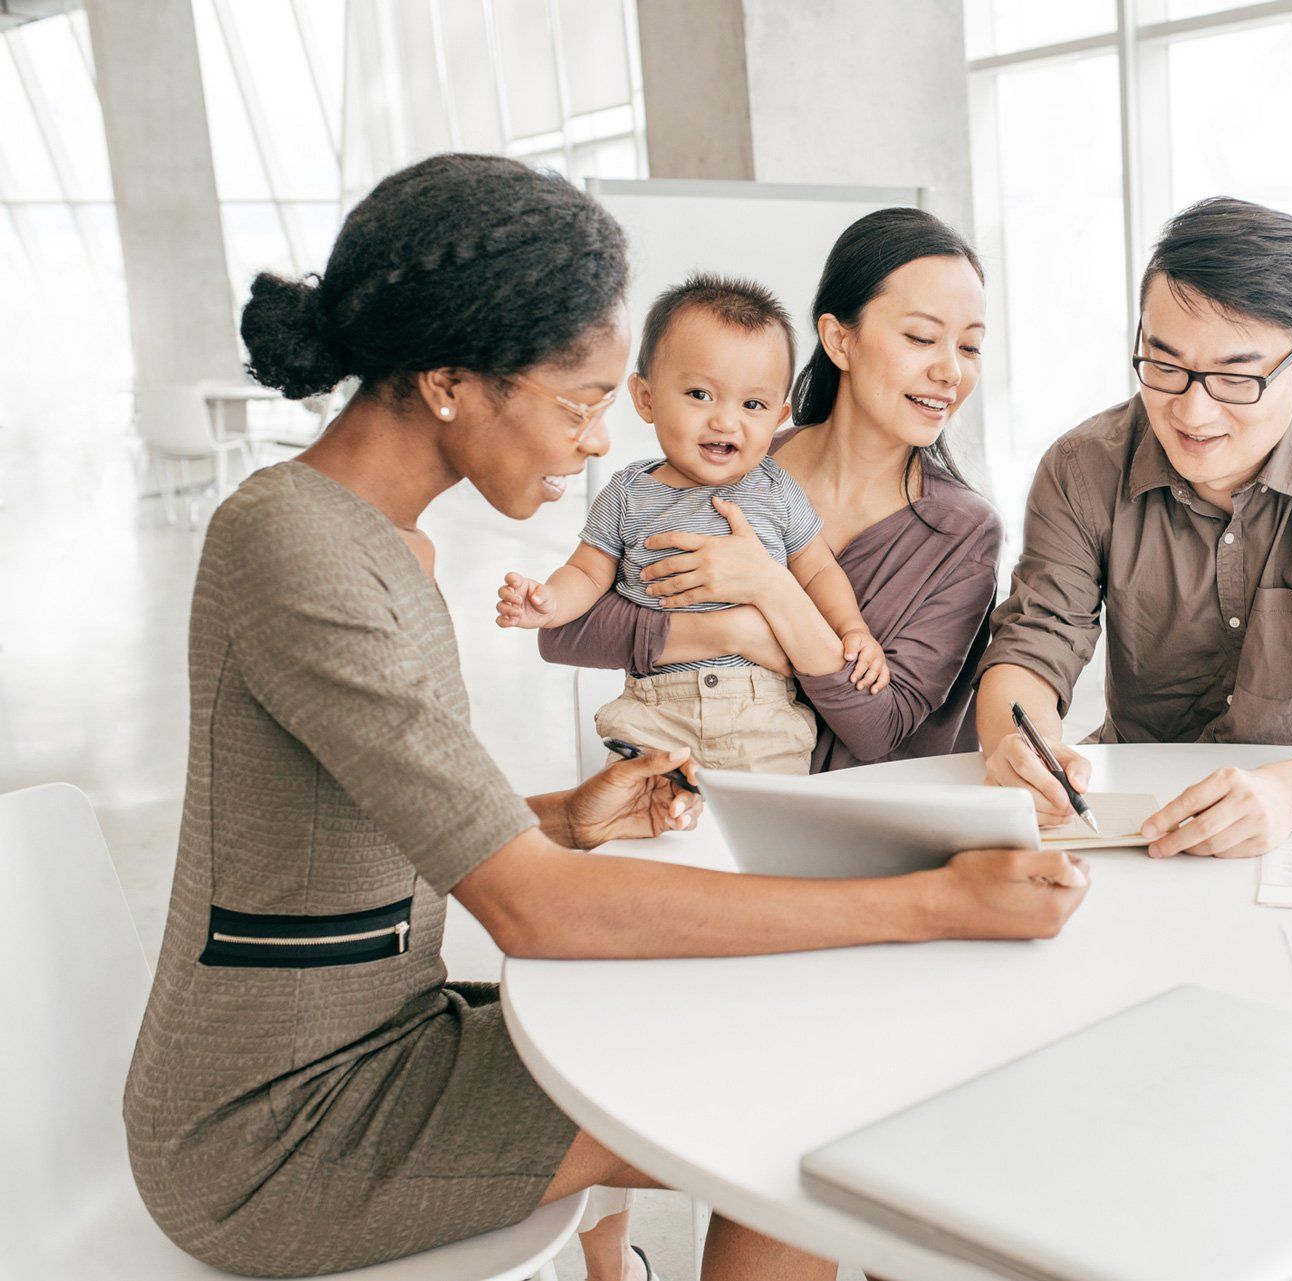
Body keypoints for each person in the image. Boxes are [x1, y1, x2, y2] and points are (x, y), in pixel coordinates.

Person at [122, 154, 1087, 1281]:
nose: (595, 443)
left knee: (791, 1052)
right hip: (280, 1131)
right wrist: (932, 904)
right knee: (806, 1104)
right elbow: (532, 912)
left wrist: (561, 817)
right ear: (450, 381)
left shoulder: (380, 541)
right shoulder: (300, 548)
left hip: (385, 1041)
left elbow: (353, 828)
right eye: (582, 402)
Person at [978, 196, 1292, 860]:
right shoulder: (1082, 468)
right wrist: (1021, 748)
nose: (1192, 410)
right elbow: (1031, 649)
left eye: (1236, 377)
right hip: (1136, 824)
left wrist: (1289, 796)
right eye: (1165, 365)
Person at [539, 207, 1003, 773]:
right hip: (686, 804)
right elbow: (564, 634)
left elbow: (879, 727)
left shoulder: (963, 530)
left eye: (971, 347)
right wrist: (733, 629)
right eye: (922, 337)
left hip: (850, 832)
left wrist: (771, 590)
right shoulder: (720, 462)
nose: (950, 371)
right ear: (839, 340)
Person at [497, 274, 889, 776]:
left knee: (768, 838)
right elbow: (588, 573)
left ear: (778, 417)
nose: (726, 421)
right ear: (646, 398)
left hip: (761, 713)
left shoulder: (776, 489)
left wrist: (853, 629)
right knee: (647, 822)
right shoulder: (628, 491)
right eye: (700, 394)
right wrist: (548, 602)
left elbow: (817, 572)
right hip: (655, 710)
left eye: (753, 405)